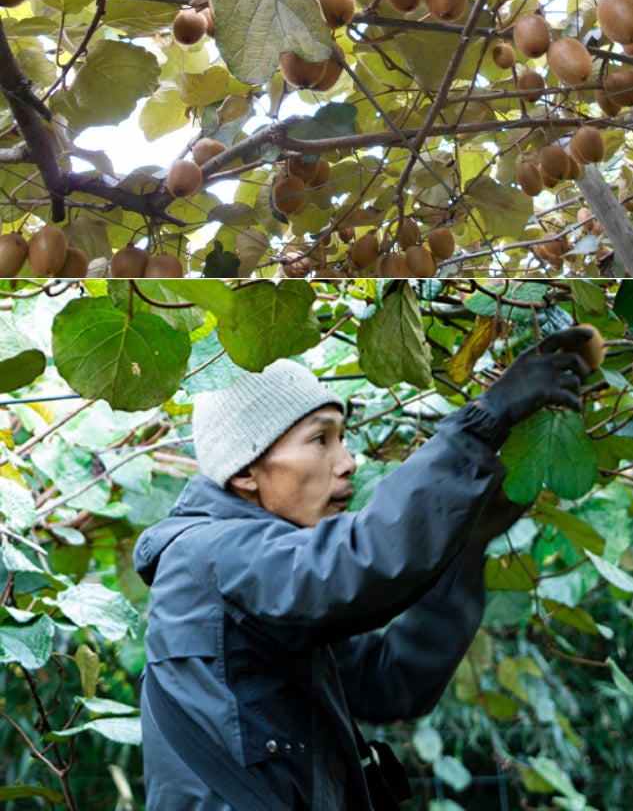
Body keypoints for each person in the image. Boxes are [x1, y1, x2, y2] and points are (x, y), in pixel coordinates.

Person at [133, 330, 595, 811]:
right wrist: (483, 422)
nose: (348, 462)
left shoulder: (263, 578)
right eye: (320, 439)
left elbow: (391, 680)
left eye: (342, 439)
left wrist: (469, 546)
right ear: (247, 470)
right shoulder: (209, 554)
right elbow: (360, 562)